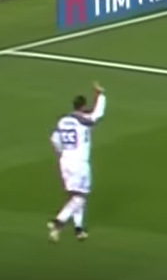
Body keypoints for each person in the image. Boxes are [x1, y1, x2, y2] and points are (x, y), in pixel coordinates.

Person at [48, 81, 107, 242]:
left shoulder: (62, 120)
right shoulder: (83, 121)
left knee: (74, 195)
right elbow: (98, 114)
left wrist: (62, 151)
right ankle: (58, 222)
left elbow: (54, 138)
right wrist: (101, 95)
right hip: (79, 163)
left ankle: (78, 229)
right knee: (80, 197)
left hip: (65, 161)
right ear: (83, 106)